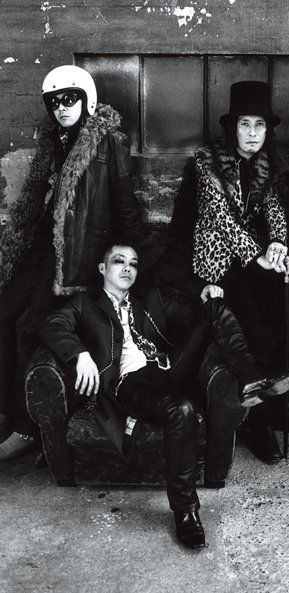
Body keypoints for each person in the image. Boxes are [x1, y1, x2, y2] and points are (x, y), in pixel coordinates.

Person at [39, 244, 289, 548]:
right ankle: (186, 511)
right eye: (119, 261)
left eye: (133, 264)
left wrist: (206, 294)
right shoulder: (85, 304)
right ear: (103, 268)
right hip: (128, 382)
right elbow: (51, 325)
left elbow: (193, 319)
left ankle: (251, 380)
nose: (127, 268)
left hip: (168, 368)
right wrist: (80, 354)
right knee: (181, 408)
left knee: (215, 308)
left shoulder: (149, 299)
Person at [152, 80, 289, 464]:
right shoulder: (207, 160)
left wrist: (278, 244)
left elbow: (275, 209)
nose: (253, 133)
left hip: (251, 258)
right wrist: (257, 256)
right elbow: (221, 218)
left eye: (260, 125)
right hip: (216, 261)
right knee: (253, 331)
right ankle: (257, 425)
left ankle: (277, 409)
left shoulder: (268, 161)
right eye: (245, 124)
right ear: (233, 128)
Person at [0, 65, 146, 460]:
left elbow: (124, 204)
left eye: (69, 99)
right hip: (39, 251)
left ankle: (27, 427)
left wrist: (132, 265)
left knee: (32, 328)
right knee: (3, 316)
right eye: (54, 102)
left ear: (86, 99)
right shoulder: (55, 140)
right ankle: (6, 411)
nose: (62, 107)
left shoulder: (108, 141)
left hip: (75, 259)